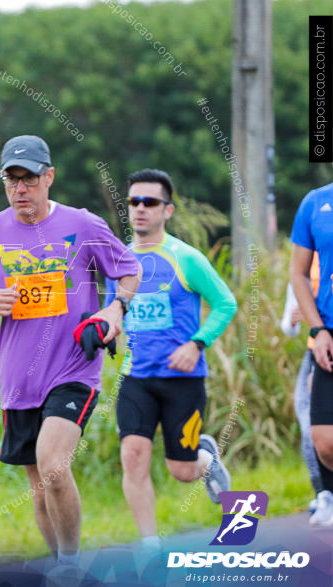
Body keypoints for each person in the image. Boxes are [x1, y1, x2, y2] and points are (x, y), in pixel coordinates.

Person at [0, 135, 141, 568]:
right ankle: (60, 566)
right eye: (12, 179)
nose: (21, 188)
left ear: (49, 177)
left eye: (30, 178)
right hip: (19, 381)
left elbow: (129, 270)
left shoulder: (83, 224)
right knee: (40, 486)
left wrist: (115, 309)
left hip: (74, 367)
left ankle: (73, 563)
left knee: (52, 464)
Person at [106, 169, 236, 551]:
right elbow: (113, 309)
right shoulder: (120, 259)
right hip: (137, 378)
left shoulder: (185, 258)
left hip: (183, 379)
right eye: (134, 202)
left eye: (150, 202)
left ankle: (205, 459)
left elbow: (225, 303)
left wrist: (197, 343)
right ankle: (150, 544)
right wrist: (105, 331)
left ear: (168, 210)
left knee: (181, 471)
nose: (140, 209)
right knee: (132, 455)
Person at [290, 179, 333, 527]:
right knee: (324, 441)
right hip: (328, 336)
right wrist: (317, 330)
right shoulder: (316, 202)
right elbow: (298, 272)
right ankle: (327, 495)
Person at [280, 254, 323, 509]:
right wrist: (294, 320)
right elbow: (288, 326)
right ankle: (322, 492)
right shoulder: (302, 268)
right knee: (307, 419)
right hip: (315, 351)